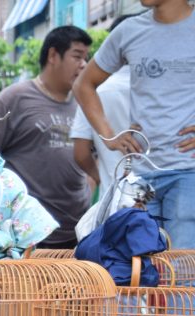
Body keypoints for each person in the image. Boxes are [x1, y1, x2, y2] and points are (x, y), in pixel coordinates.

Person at [74, 0, 195, 248]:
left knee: (182, 275)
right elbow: (84, 85)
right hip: (140, 177)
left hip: (188, 173)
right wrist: (108, 136)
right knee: (141, 274)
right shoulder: (129, 31)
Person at [0, 26, 93, 248]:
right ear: (53, 55)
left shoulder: (85, 104)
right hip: (27, 236)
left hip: (77, 234)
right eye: (77, 56)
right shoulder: (16, 98)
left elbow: (94, 159)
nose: (84, 64)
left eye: (86, 58)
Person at [71, 15, 136, 193]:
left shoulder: (92, 90)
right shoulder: (172, 88)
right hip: (169, 200)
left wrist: (102, 178)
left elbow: (81, 152)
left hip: (115, 199)